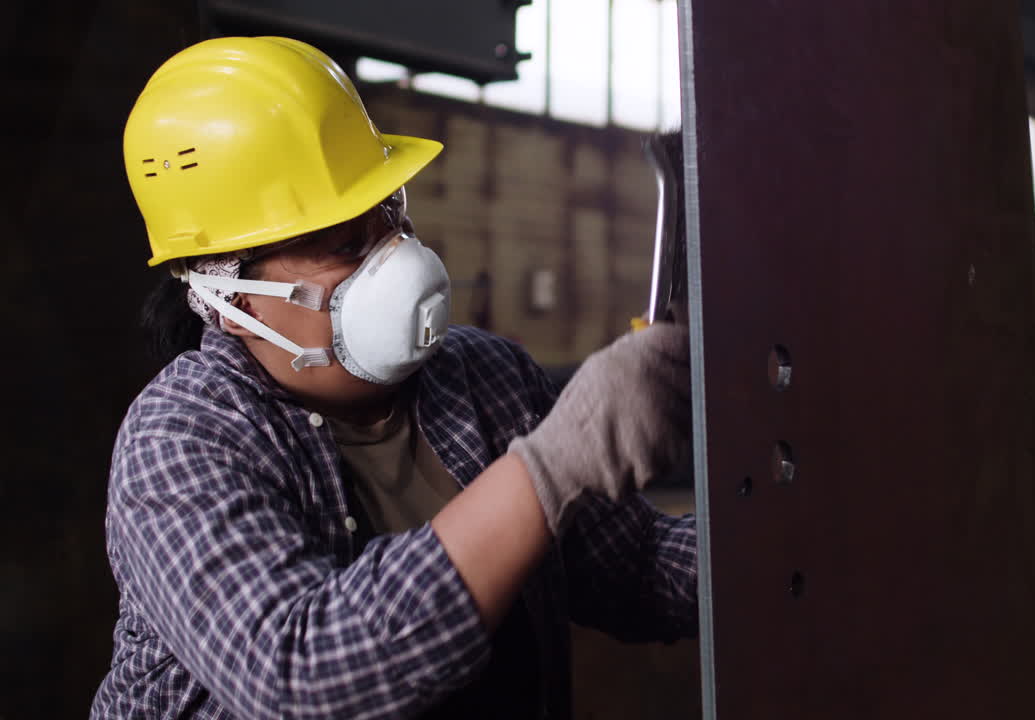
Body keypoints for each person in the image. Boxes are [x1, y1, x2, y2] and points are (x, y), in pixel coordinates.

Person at [91, 36, 696, 719]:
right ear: (228, 299)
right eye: (347, 245)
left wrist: (801, 544)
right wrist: (552, 468)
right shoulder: (181, 441)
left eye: (392, 214)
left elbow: (636, 565)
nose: (396, 257)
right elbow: (299, 677)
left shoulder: (484, 378)